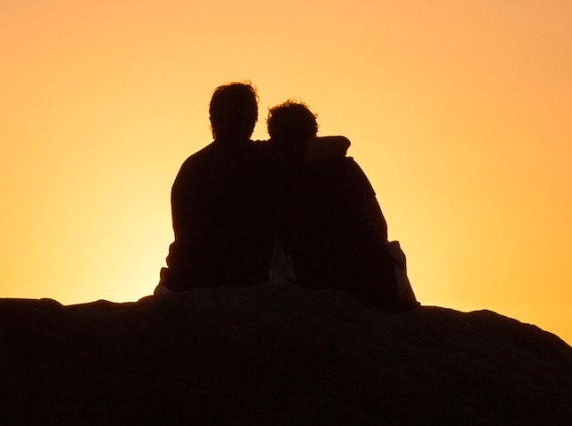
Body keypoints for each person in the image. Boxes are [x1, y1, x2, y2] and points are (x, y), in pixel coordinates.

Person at [265, 100, 417, 311]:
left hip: (311, 276)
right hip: (366, 276)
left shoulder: (272, 179)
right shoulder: (346, 168)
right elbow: (380, 225)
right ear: (314, 132)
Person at [158, 82, 273, 292]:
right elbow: (340, 143)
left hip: (187, 278)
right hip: (239, 279)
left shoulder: (191, 166)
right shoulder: (264, 157)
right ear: (253, 119)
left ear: (212, 120)